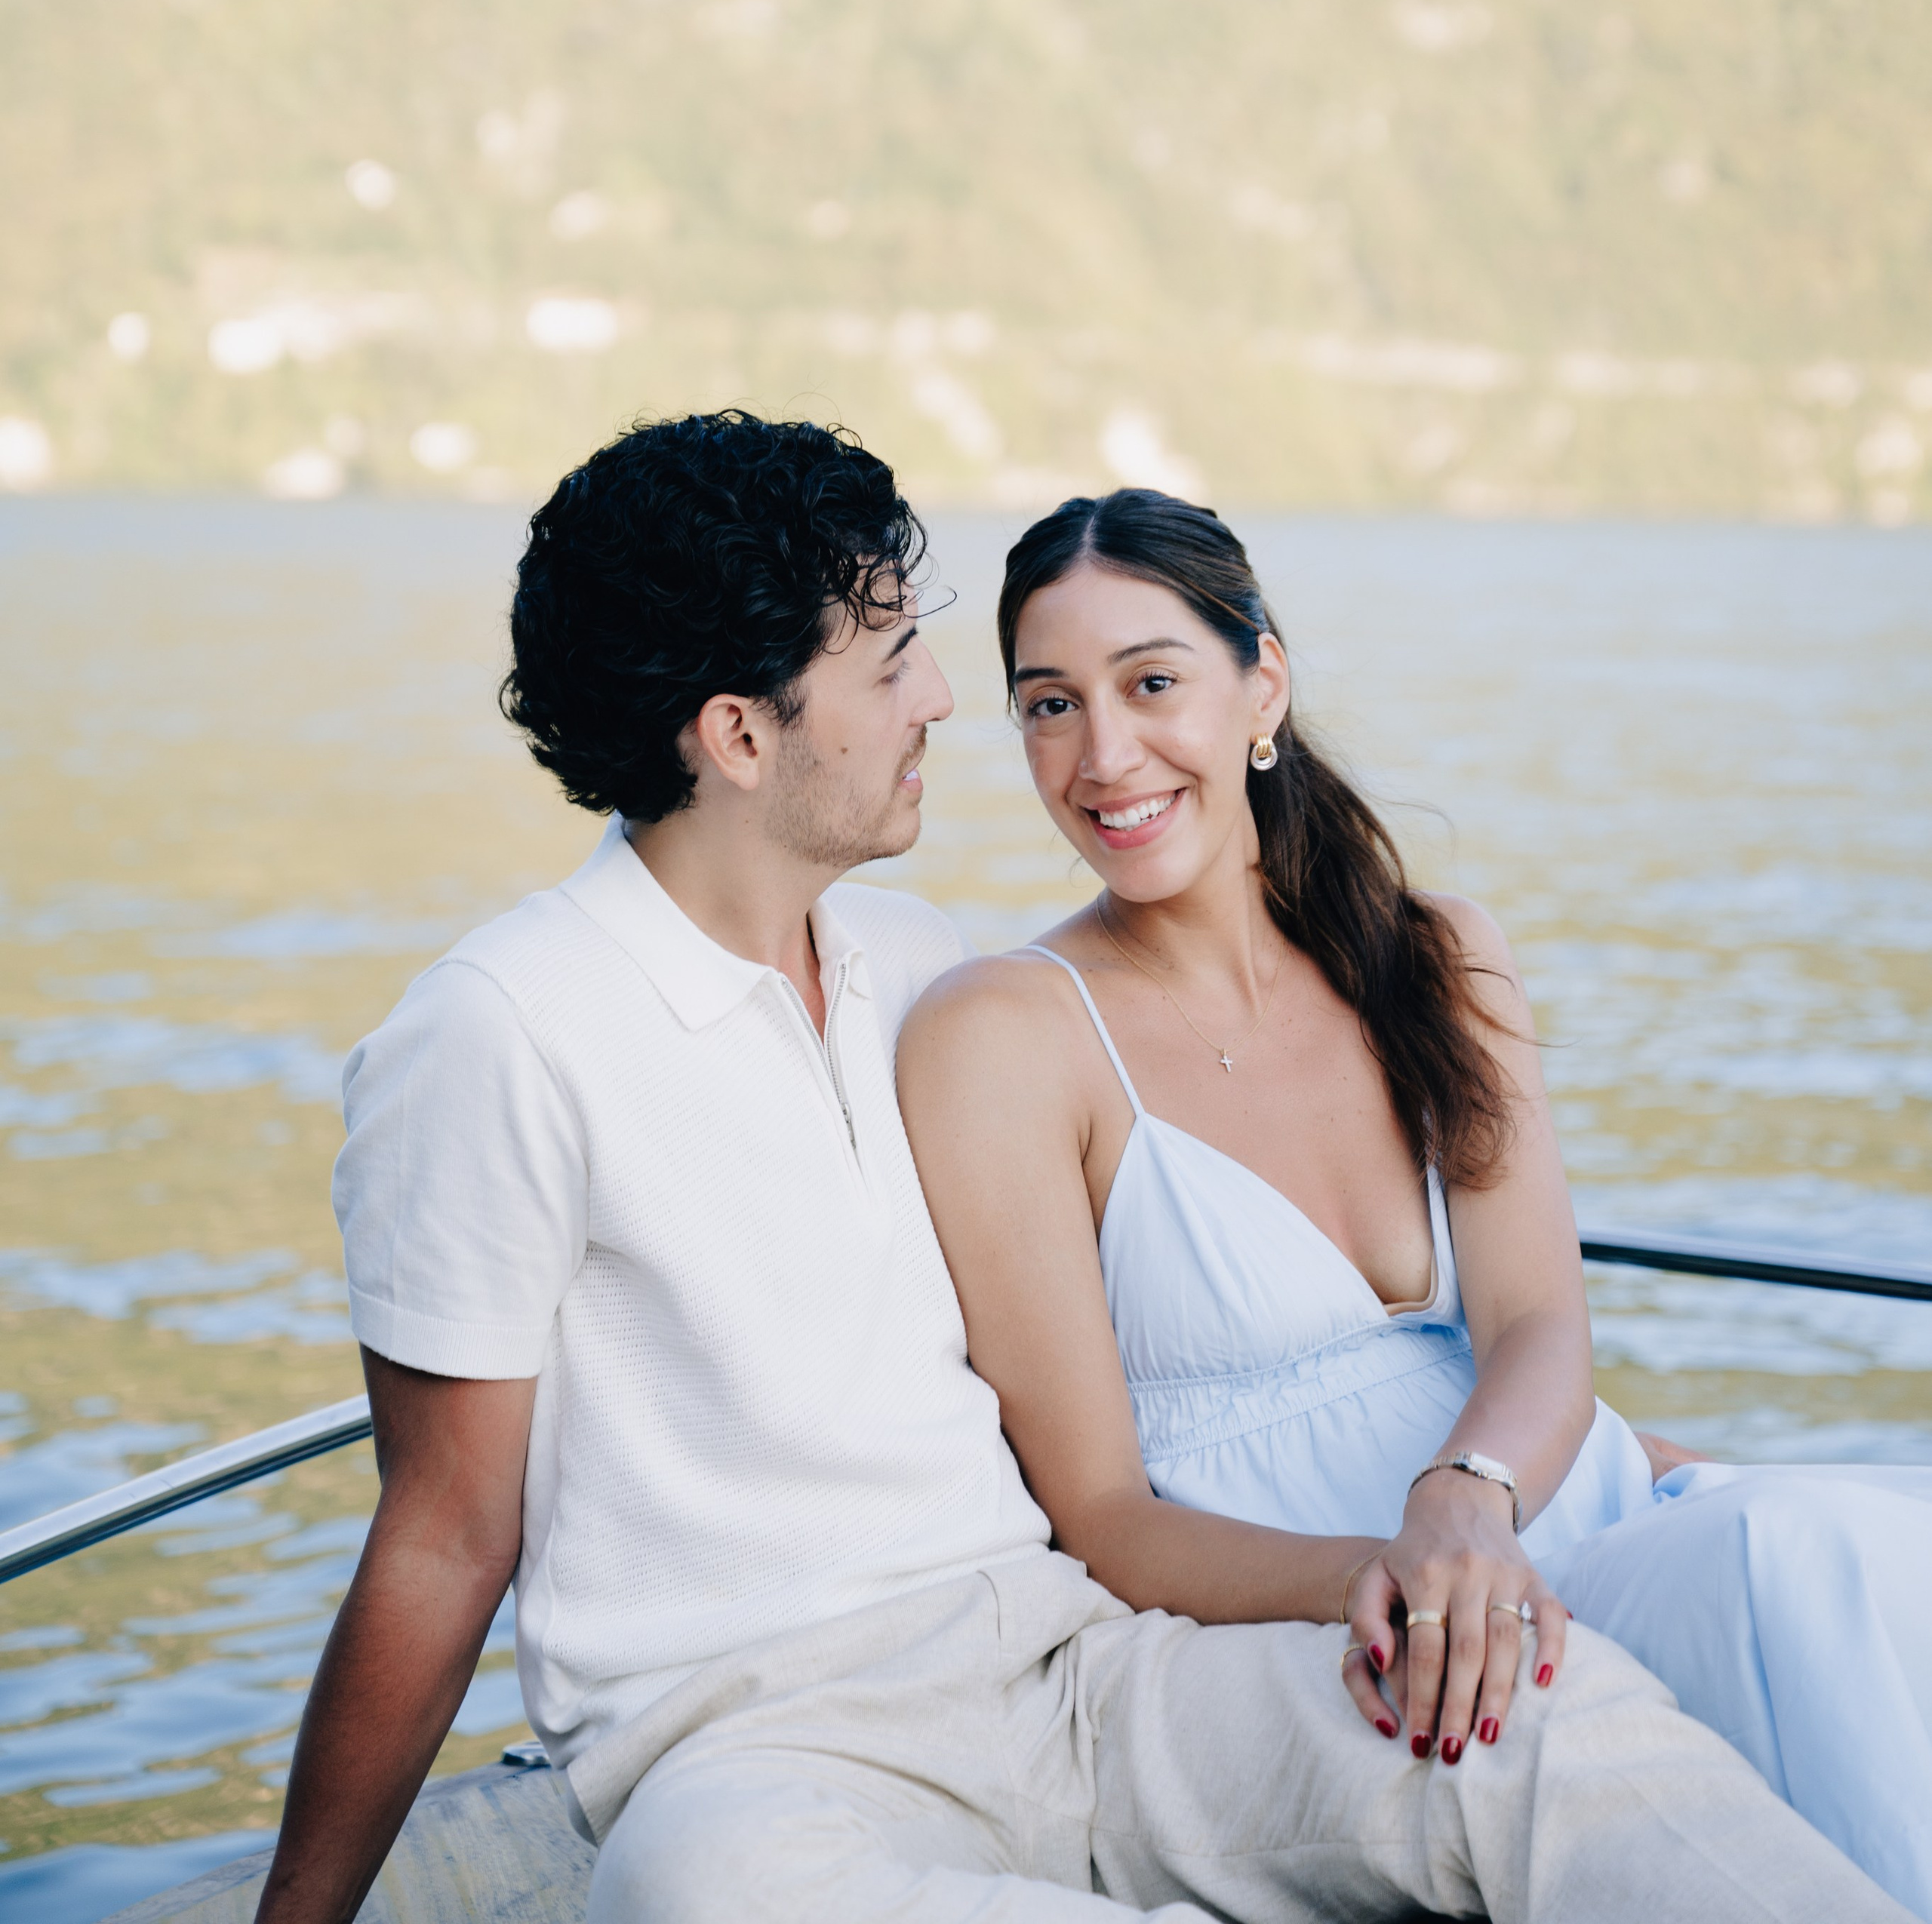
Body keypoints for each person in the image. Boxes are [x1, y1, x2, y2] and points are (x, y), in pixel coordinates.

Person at [257, 416, 1912, 1924]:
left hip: (1078, 1670)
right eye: (893, 660)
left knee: (1534, 1725)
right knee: (700, 1899)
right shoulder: (498, 1032)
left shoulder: (908, 961)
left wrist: (1456, 1535)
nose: (940, 700)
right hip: (765, 1744)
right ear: (740, 735)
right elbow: (443, 1536)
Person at [896, 484, 1932, 1922]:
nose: (1104, 755)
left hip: (1559, 1517)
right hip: (1377, 1610)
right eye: (1050, 706)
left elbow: (1539, 1323)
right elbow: (1103, 1514)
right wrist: (1399, 1574)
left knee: (1834, 1549)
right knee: (1798, 1560)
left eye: (1152, 683)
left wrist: (1466, 1500)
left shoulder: (1437, 958)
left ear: (1262, 686)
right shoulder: (1005, 1034)